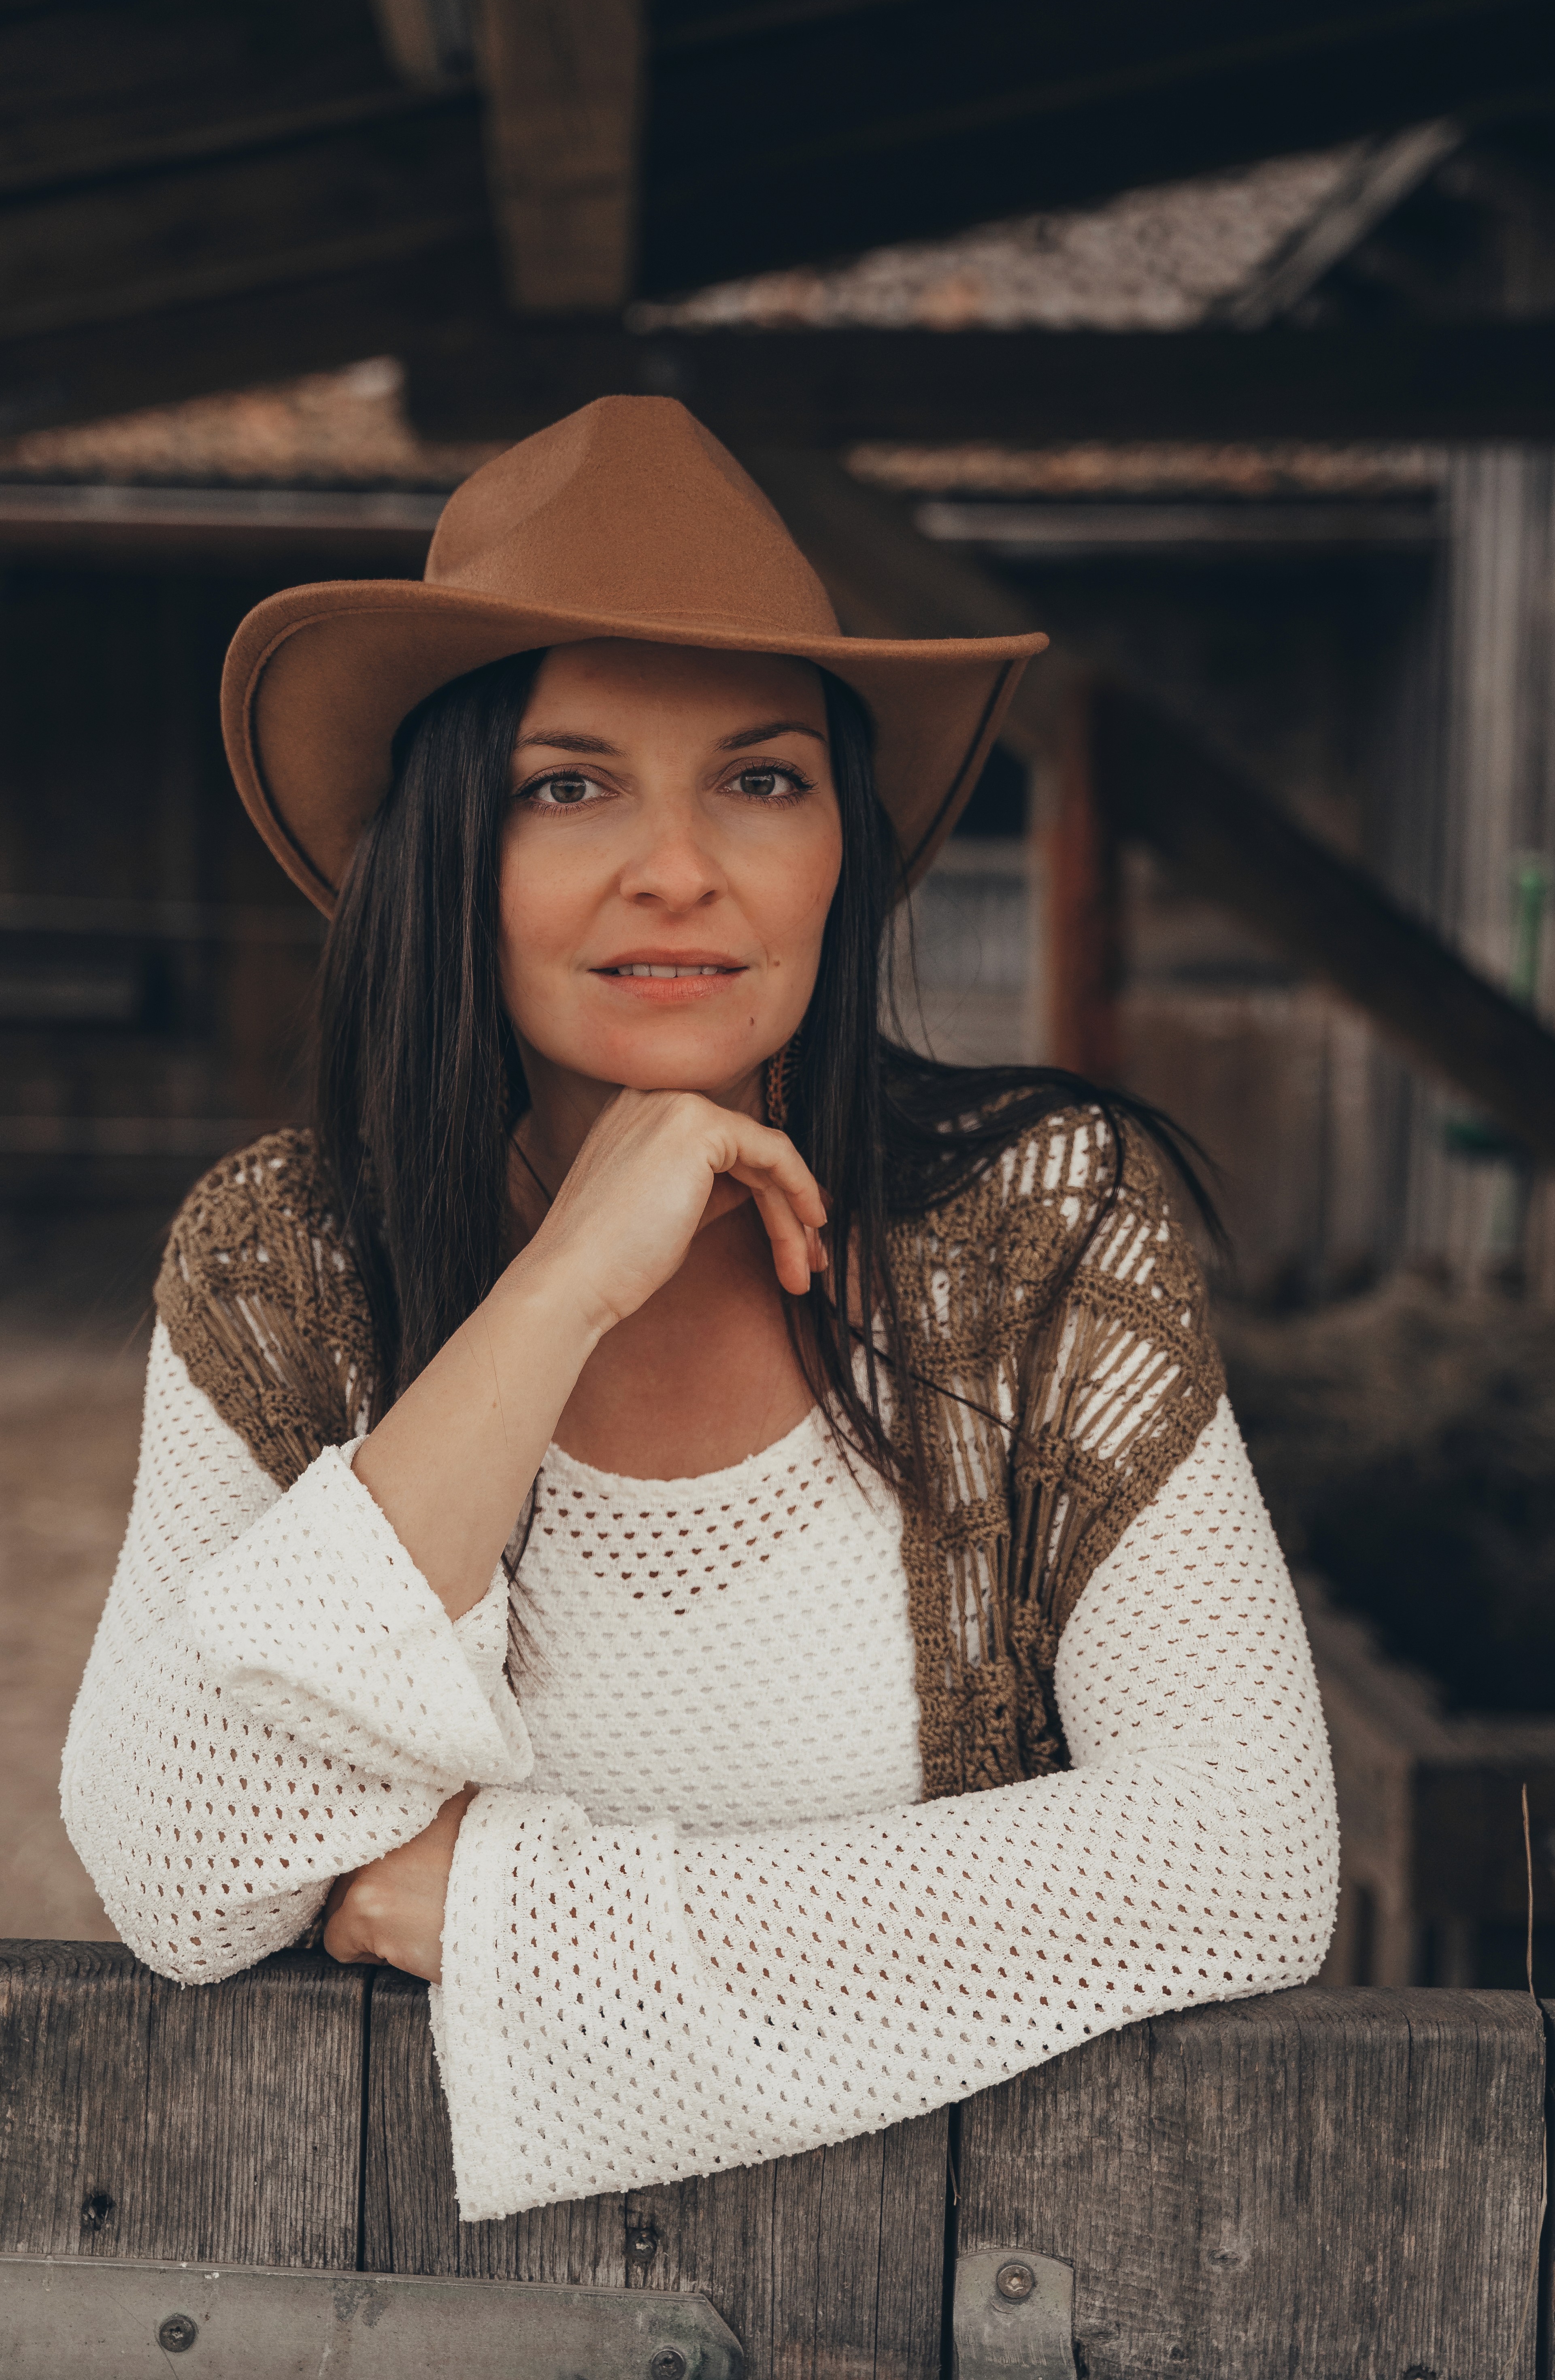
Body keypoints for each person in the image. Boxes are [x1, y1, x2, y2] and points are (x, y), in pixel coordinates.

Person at [62, 397, 1337, 2223]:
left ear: (842, 843)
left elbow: (1244, 1862)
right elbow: (187, 1868)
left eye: (762, 777)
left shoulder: (1039, 1231)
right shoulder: (288, 1264)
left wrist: (509, 1910)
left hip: (963, 2301)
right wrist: (564, 1283)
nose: (682, 867)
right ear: (450, 854)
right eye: (566, 786)